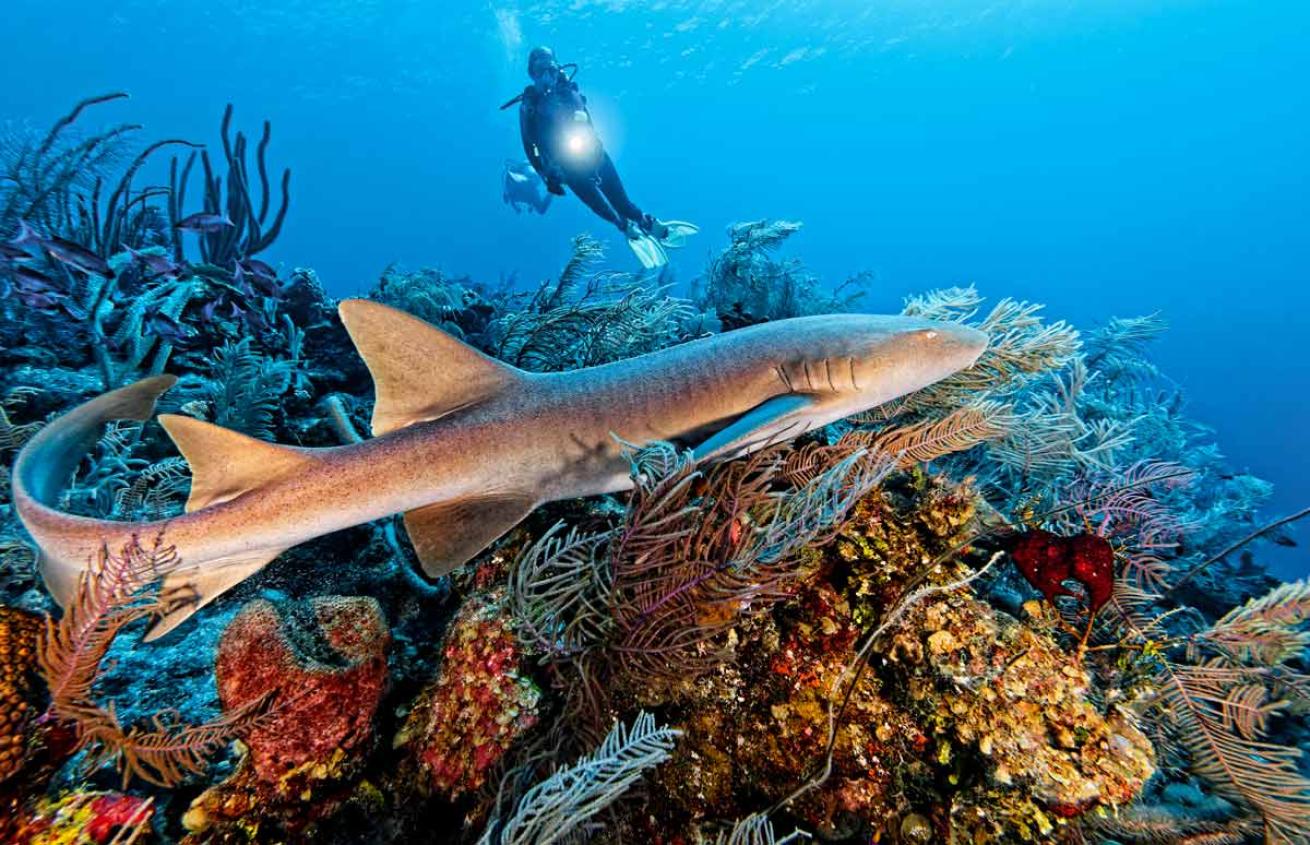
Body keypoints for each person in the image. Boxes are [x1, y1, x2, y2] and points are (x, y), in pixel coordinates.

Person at [502, 46, 696, 268]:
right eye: (540, 70)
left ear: (558, 69)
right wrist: (547, 177)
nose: (547, 75)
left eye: (552, 69)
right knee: (603, 207)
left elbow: (583, 114)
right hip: (566, 167)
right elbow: (530, 147)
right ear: (532, 73)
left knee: (622, 201)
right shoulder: (529, 106)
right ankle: (626, 228)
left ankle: (648, 223)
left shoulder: (568, 90)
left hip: (593, 154)